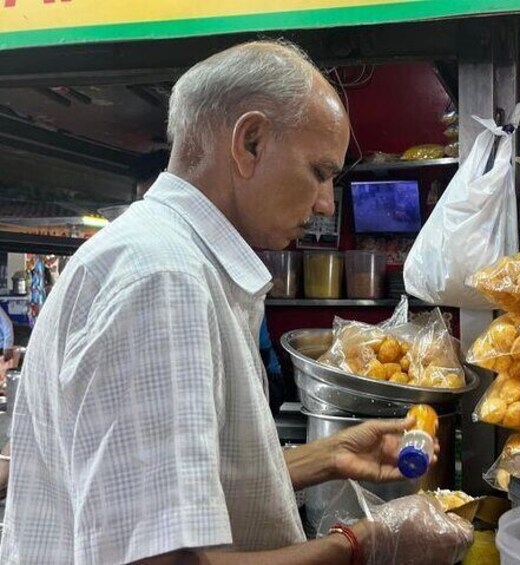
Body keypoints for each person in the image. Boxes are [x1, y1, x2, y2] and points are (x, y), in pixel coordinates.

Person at [0, 41, 472, 564]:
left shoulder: (173, 262)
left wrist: (328, 455)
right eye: (319, 172)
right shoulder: (163, 281)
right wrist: (366, 543)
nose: (323, 203)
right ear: (249, 142)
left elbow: (179, 493)